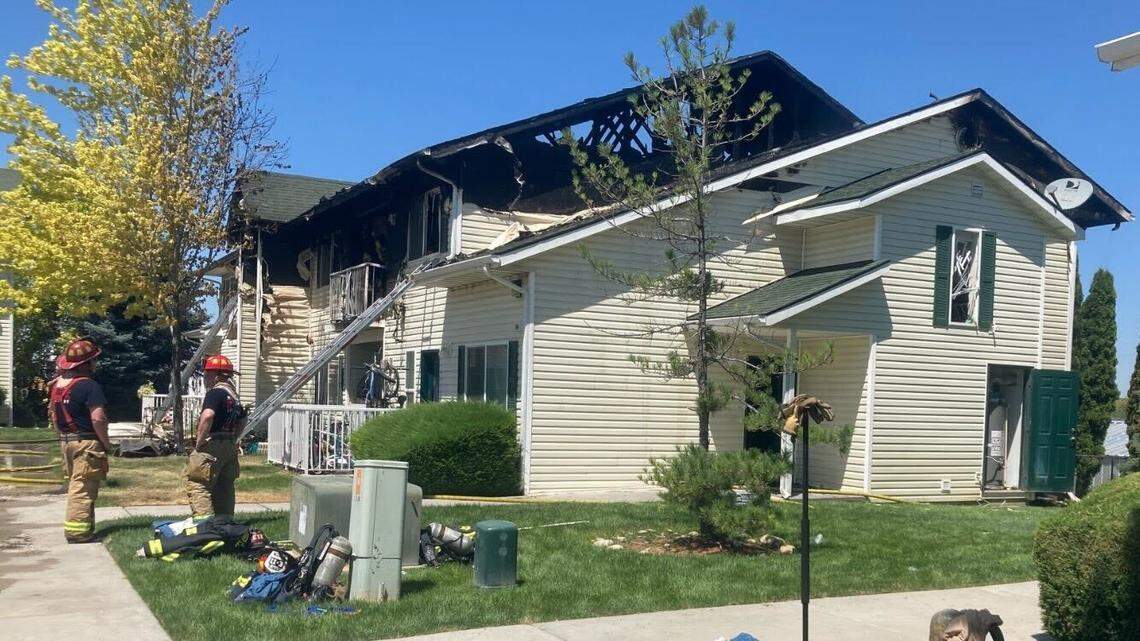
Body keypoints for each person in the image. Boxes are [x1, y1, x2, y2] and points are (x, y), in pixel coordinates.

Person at [50, 338, 112, 543]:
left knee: (76, 485)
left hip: (67, 442)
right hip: (87, 443)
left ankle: (84, 528)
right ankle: (78, 533)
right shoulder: (89, 386)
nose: (95, 364)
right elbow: (98, 418)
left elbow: (53, 416)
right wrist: (106, 443)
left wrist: (63, 437)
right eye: (93, 360)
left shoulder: (58, 387)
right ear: (85, 365)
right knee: (83, 488)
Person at [185, 354, 245, 519]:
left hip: (212, 446)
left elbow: (208, 416)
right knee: (224, 487)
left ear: (217, 375)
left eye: (207, 374)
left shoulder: (215, 393)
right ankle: (225, 524)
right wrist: (234, 439)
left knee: (197, 483)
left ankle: (206, 526)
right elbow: (243, 420)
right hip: (229, 447)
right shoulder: (234, 396)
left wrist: (200, 442)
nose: (205, 378)